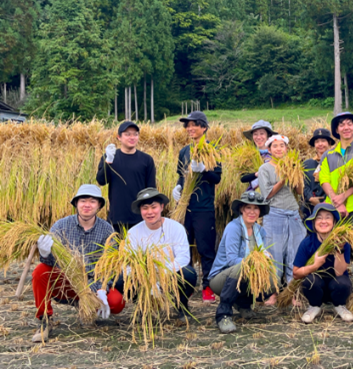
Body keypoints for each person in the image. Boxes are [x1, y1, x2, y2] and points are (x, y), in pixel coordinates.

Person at [31, 184, 125, 343]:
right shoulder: (61, 226)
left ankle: (87, 309)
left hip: (93, 282)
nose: (87, 205)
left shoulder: (107, 230)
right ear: (76, 203)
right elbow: (51, 263)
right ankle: (44, 320)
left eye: (92, 201)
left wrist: (94, 289)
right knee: (40, 271)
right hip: (67, 281)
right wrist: (45, 253)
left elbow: (110, 267)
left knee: (117, 302)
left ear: (99, 206)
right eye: (83, 200)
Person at [118, 188, 198, 323]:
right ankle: (144, 305)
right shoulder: (133, 233)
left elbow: (183, 258)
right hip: (144, 278)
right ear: (140, 211)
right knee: (121, 280)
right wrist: (146, 278)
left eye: (153, 207)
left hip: (169, 274)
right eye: (145, 208)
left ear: (161, 207)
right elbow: (127, 264)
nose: (150, 212)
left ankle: (181, 305)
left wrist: (160, 275)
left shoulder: (176, 228)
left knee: (188, 273)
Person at [171, 111, 222, 303]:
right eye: (187, 125)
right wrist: (178, 187)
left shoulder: (212, 149)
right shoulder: (184, 151)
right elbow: (180, 174)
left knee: (205, 247)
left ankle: (208, 285)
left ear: (204, 127)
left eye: (194, 125)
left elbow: (216, 178)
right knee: (183, 246)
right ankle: (187, 284)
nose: (190, 128)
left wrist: (205, 170)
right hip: (185, 207)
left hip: (203, 207)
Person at [209, 191, 275, 333]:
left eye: (256, 208)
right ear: (241, 209)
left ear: (260, 211)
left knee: (272, 277)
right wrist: (256, 263)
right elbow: (233, 260)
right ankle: (224, 314)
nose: (252, 212)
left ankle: (243, 304)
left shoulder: (260, 231)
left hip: (244, 274)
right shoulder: (234, 228)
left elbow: (262, 255)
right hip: (222, 278)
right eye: (248, 208)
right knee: (241, 267)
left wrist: (265, 261)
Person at [319, 112, 353, 271]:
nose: (346, 127)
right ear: (336, 130)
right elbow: (324, 179)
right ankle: (337, 283)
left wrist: (343, 196)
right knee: (334, 247)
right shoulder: (328, 154)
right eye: (342, 124)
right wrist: (336, 201)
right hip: (333, 209)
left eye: (349, 124)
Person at [293, 203, 353, 324]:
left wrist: (340, 250)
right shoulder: (307, 243)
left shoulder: (343, 242)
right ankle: (314, 306)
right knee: (310, 280)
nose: (323, 221)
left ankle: (339, 305)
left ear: (334, 222)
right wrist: (315, 265)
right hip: (317, 287)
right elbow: (296, 273)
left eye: (328, 217)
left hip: (335, 286)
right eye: (319, 218)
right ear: (314, 223)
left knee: (343, 282)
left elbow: (339, 272)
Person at [258, 134, 305, 284]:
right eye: (275, 146)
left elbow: (299, 191)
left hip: (292, 212)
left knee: (295, 251)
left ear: (286, 149)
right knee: (274, 253)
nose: (279, 149)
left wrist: (296, 174)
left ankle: (292, 292)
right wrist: (284, 177)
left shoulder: (292, 165)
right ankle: (273, 291)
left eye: (282, 146)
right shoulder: (264, 168)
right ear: (269, 150)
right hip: (274, 212)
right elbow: (267, 194)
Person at [96, 121, 156, 234]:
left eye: (135, 134)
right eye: (127, 134)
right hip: (117, 216)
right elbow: (101, 180)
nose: (132, 137)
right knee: (116, 250)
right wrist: (108, 161)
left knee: (140, 251)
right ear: (119, 137)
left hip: (140, 217)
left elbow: (151, 189)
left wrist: (150, 213)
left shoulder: (146, 159)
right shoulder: (110, 157)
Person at [302, 128, 334, 219]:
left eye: (323, 141)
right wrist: (311, 198)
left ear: (329, 143)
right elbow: (304, 184)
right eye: (317, 142)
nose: (320, 144)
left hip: (331, 205)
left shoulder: (335, 161)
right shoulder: (307, 164)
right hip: (310, 208)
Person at [240, 120, 277, 191]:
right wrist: (256, 174)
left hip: (275, 192)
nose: (258, 137)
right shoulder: (248, 155)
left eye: (262, 134)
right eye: (255, 134)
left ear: (268, 135)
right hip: (253, 194)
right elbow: (242, 178)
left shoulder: (276, 154)